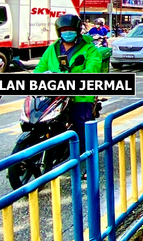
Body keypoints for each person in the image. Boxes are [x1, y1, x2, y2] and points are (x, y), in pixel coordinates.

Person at [35, 14, 102, 152]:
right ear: (59, 31)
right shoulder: (52, 48)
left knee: (81, 125)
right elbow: (40, 68)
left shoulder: (89, 49)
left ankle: (89, 160)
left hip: (80, 96)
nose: (67, 32)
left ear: (77, 30)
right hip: (54, 93)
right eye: (64, 29)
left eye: (70, 29)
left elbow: (92, 69)